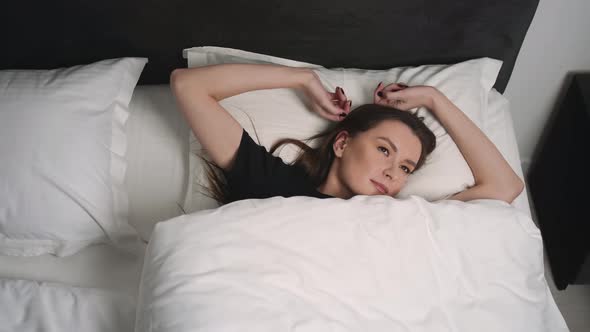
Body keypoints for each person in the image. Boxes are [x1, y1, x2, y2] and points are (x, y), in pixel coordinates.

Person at [170, 64, 524, 205]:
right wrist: (302, 78)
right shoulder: (275, 183)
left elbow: (505, 187)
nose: (392, 172)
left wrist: (435, 98)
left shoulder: (403, 216)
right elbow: (188, 85)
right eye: (385, 150)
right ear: (342, 142)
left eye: (406, 168)